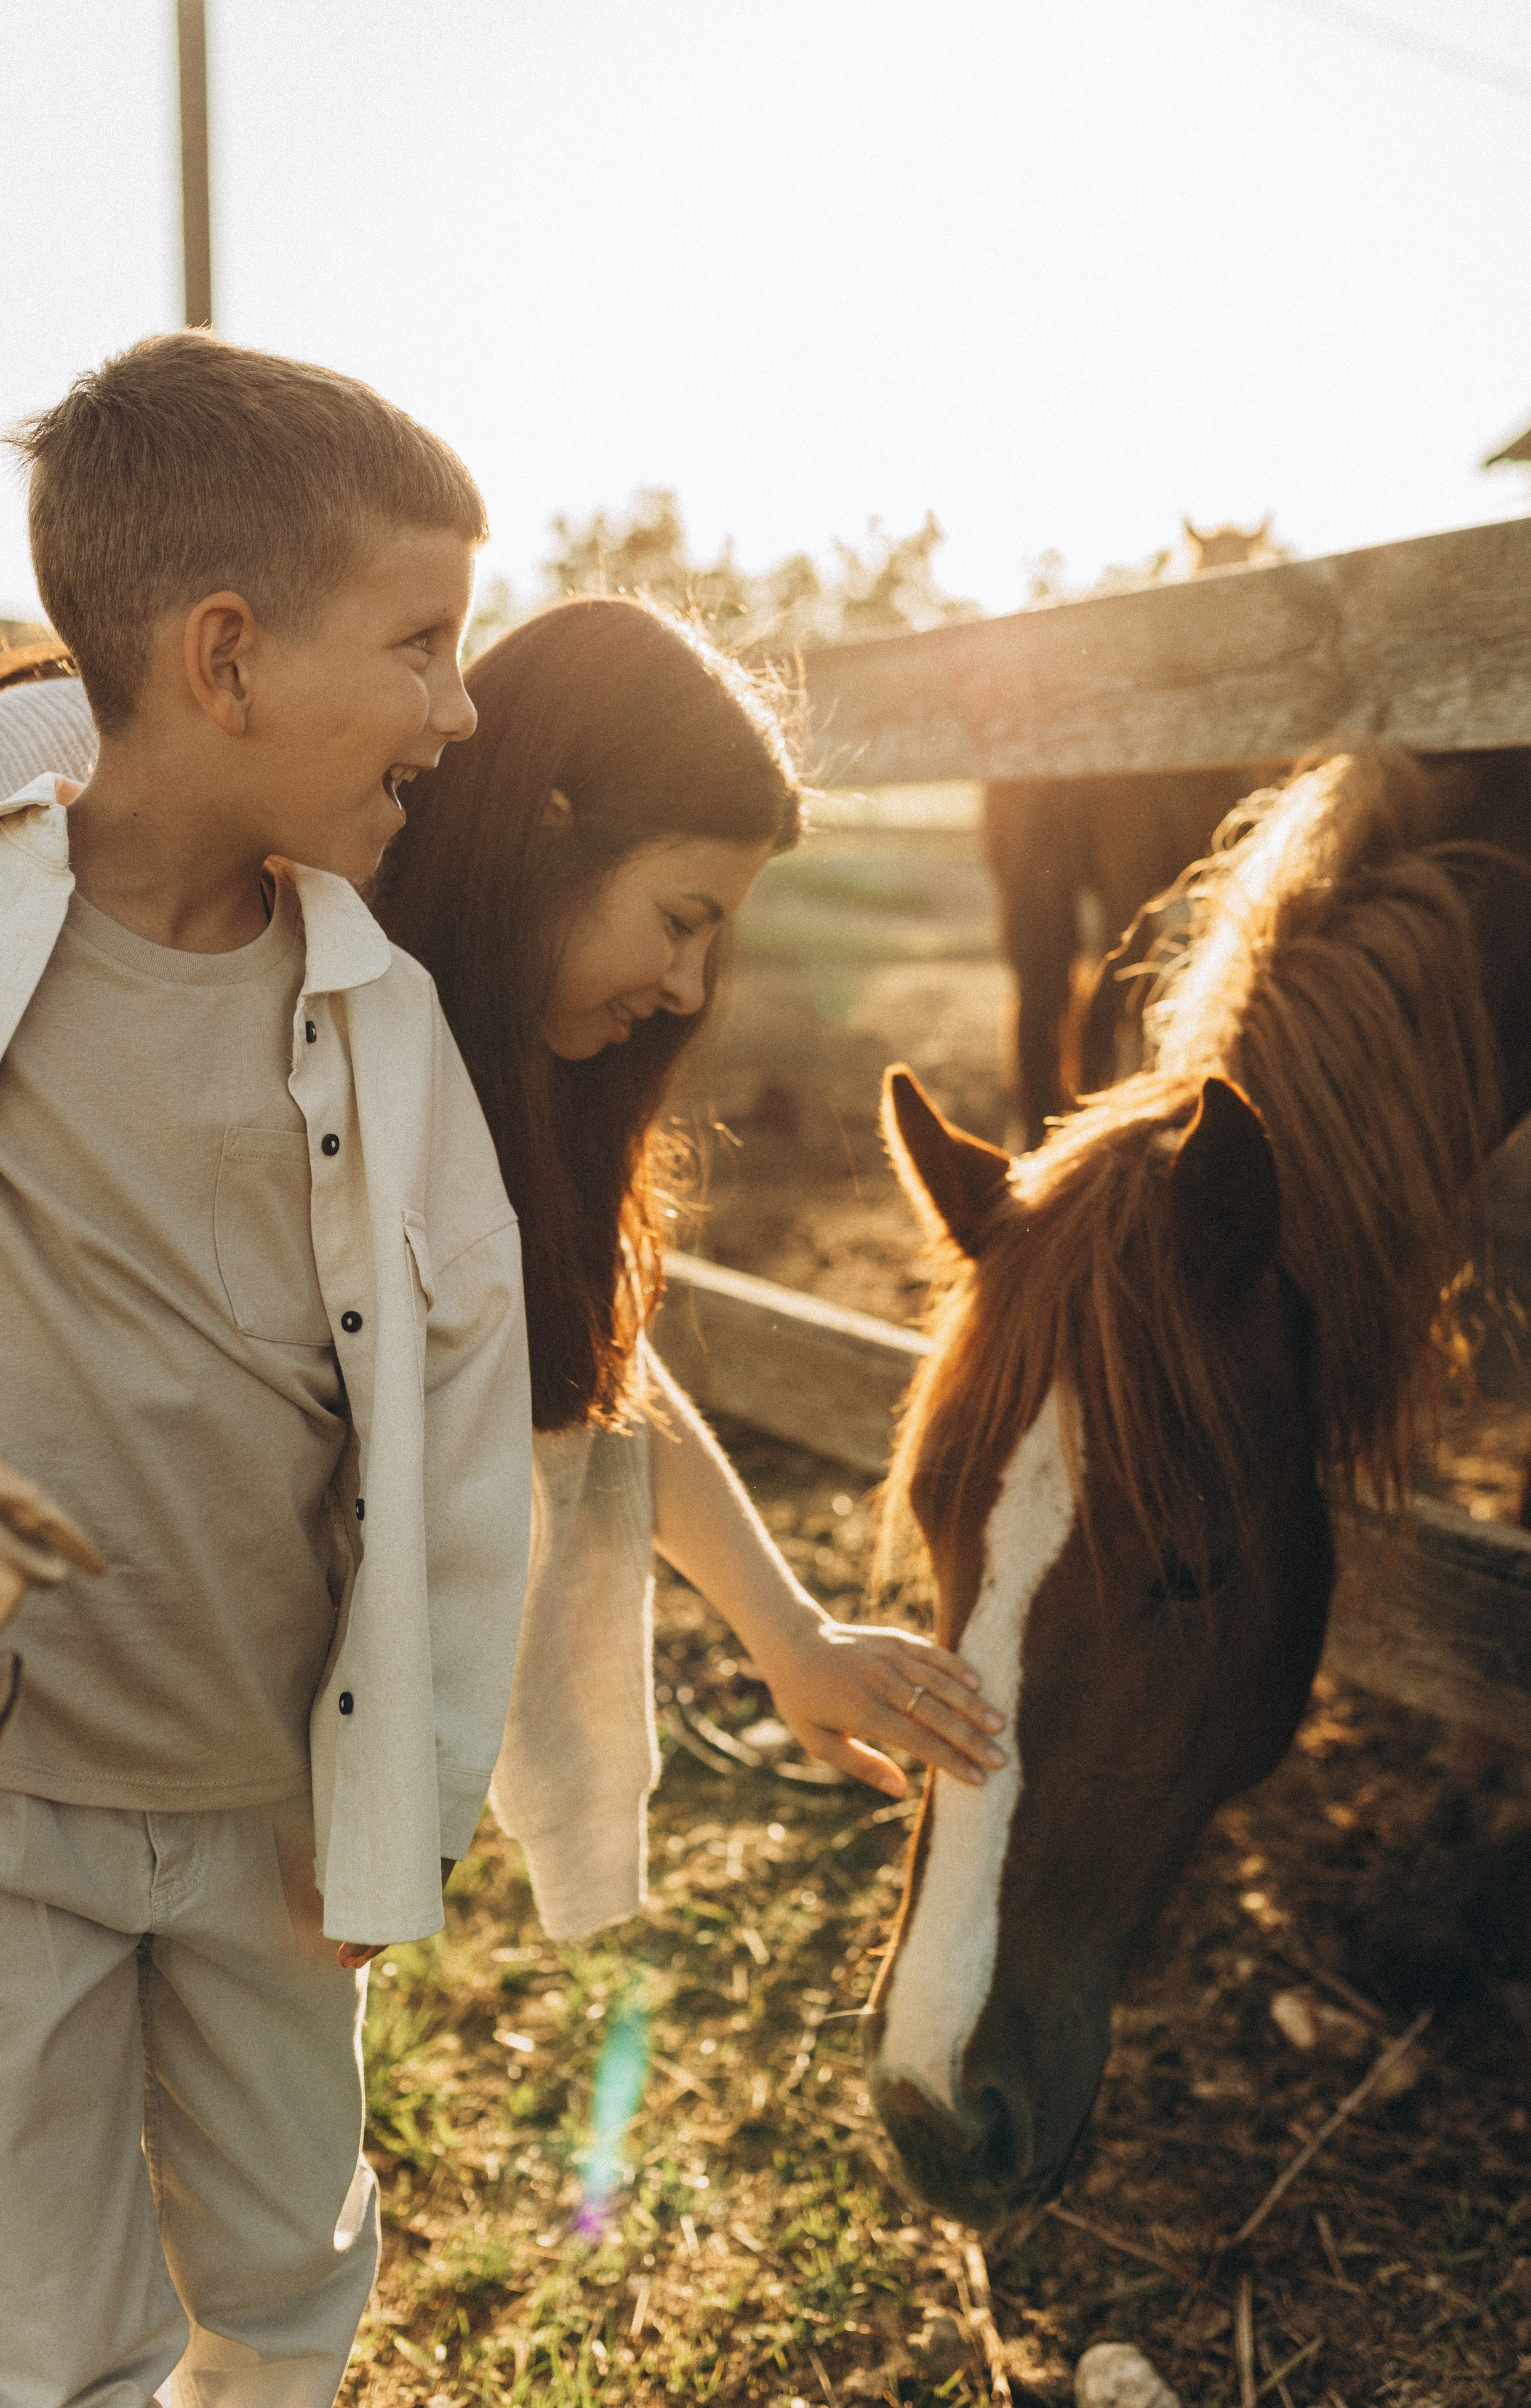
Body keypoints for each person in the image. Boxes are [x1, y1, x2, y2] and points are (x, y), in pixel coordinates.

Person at [0, 333, 535, 2405]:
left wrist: (404, 1794)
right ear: (224, 658)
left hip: (271, 1827)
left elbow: (468, 1427)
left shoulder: (383, 1027)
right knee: (46, 2324)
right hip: (17, 1802)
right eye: (419, 642)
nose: (459, 707)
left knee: (289, 2270)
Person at [376, 597, 1007, 1945]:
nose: (685, 985)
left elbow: (586, 1351)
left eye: (714, 939)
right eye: (678, 918)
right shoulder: (331, 1038)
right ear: (545, 828)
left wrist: (790, 1636)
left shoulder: (517, 1077)